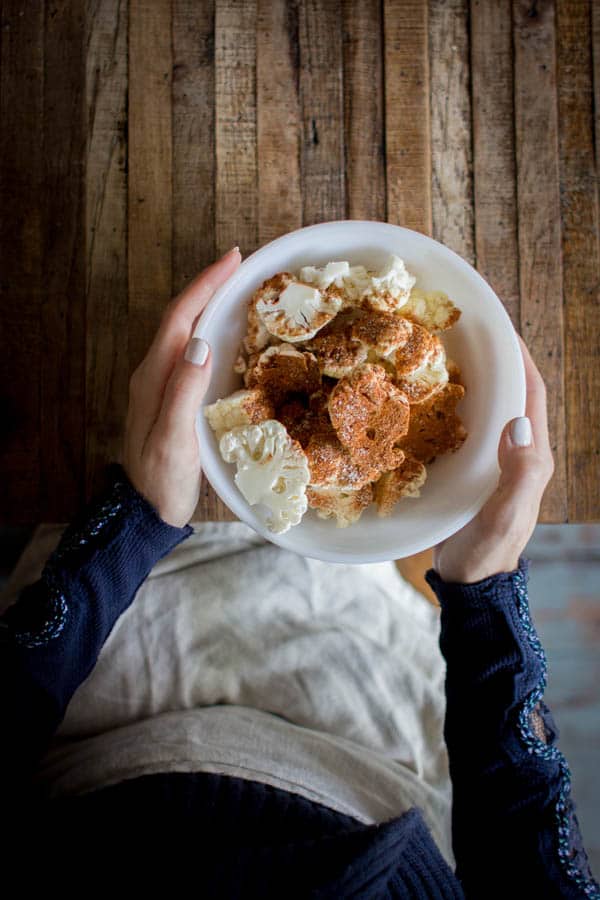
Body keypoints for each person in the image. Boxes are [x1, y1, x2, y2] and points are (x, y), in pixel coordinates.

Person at [1, 248, 598, 898]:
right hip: (380, 729)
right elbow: (523, 847)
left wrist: (135, 522)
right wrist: (483, 594)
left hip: (94, 698)